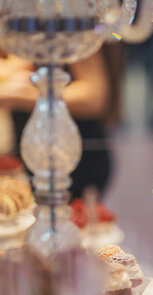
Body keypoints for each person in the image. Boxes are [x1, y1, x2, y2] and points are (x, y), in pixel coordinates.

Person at [0, 44, 122, 199]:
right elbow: (17, 63)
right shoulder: (29, 32)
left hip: (76, 156)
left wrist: (25, 97)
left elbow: (94, 98)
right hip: (36, 155)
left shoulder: (70, 27)